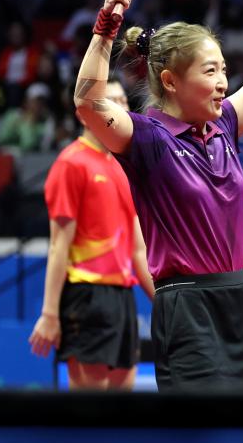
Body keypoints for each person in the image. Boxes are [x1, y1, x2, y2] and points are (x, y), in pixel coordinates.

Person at [72, 0, 243, 391]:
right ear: (171, 81)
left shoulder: (225, 125)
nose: (223, 83)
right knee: (203, 428)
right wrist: (105, 27)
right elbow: (87, 103)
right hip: (188, 310)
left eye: (224, 70)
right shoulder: (147, 139)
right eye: (211, 71)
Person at [28, 79, 154, 390]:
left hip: (122, 296)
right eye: (110, 101)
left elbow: (138, 250)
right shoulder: (71, 164)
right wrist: (50, 313)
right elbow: (58, 245)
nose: (120, 109)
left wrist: (165, 302)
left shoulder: (123, 167)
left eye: (123, 101)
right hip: (86, 295)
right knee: (91, 409)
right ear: (84, 114)